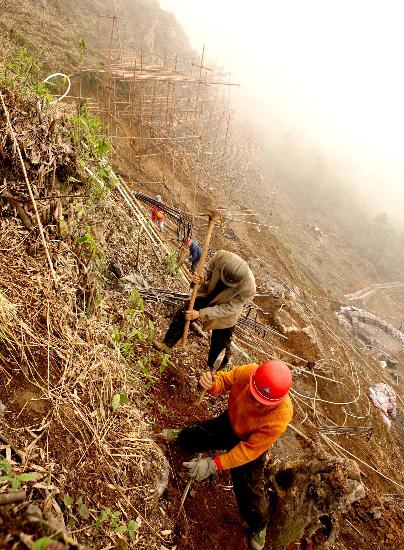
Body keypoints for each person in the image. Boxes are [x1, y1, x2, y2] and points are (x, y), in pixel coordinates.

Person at [164, 360, 293, 550]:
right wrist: (210, 384)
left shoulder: (281, 415)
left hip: (250, 444)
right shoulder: (248, 372)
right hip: (230, 422)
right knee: (197, 435)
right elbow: (223, 382)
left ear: (276, 401)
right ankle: (183, 436)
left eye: (262, 403)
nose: (257, 402)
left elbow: (248, 450)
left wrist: (213, 464)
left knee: (249, 492)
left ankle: (259, 525)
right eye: (254, 395)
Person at [154, 250, 256, 369]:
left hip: (226, 310)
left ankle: (213, 372)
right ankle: (167, 344)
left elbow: (228, 308)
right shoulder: (221, 256)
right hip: (209, 293)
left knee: (221, 343)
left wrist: (200, 314)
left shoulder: (248, 288)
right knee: (184, 313)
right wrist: (200, 279)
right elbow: (207, 271)